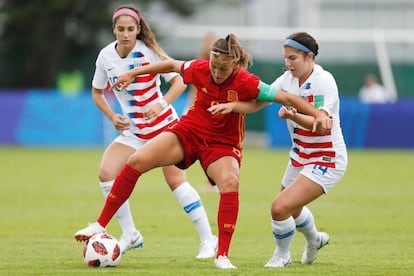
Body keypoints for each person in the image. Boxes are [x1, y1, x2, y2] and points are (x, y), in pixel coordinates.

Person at [74, 33, 332, 269]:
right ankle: (101, 223)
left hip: (222, 144)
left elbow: (287, 98)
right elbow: (172, 65)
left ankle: (222, 256)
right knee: (137, 159)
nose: (217, 72)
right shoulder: (199, 68)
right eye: (213, 66)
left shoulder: (246, 81)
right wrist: (135, 73)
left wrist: (317, 113)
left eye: (223, 68)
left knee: (230, 182)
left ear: (235, 65)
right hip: (190, 131)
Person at [79, 4, 217, 259]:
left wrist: (161, 103)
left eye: (130, 29)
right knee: (106, 172)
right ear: (114, 30)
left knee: (176, 181)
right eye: (120, 29)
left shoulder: (149, 52)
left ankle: (209, 240)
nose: (125, 34)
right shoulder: (105, 57)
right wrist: (112, 116)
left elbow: (179, 82)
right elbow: (97, 92)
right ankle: (130, 233)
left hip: (166, 128)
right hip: (134, 132)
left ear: (138, 29)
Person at [211, 32, 348, 268]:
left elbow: (321, 126)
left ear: (309, 57)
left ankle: (281, 256)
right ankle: (315, 239)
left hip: (326, 158)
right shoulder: (286, 80)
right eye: (285, 57)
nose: (287, 63)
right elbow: (257, 102)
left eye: (293, 58)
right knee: (292, 209)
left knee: (280, 207)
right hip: (299, 156)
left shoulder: (323, 81)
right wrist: (233, 105)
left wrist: (294, 115)